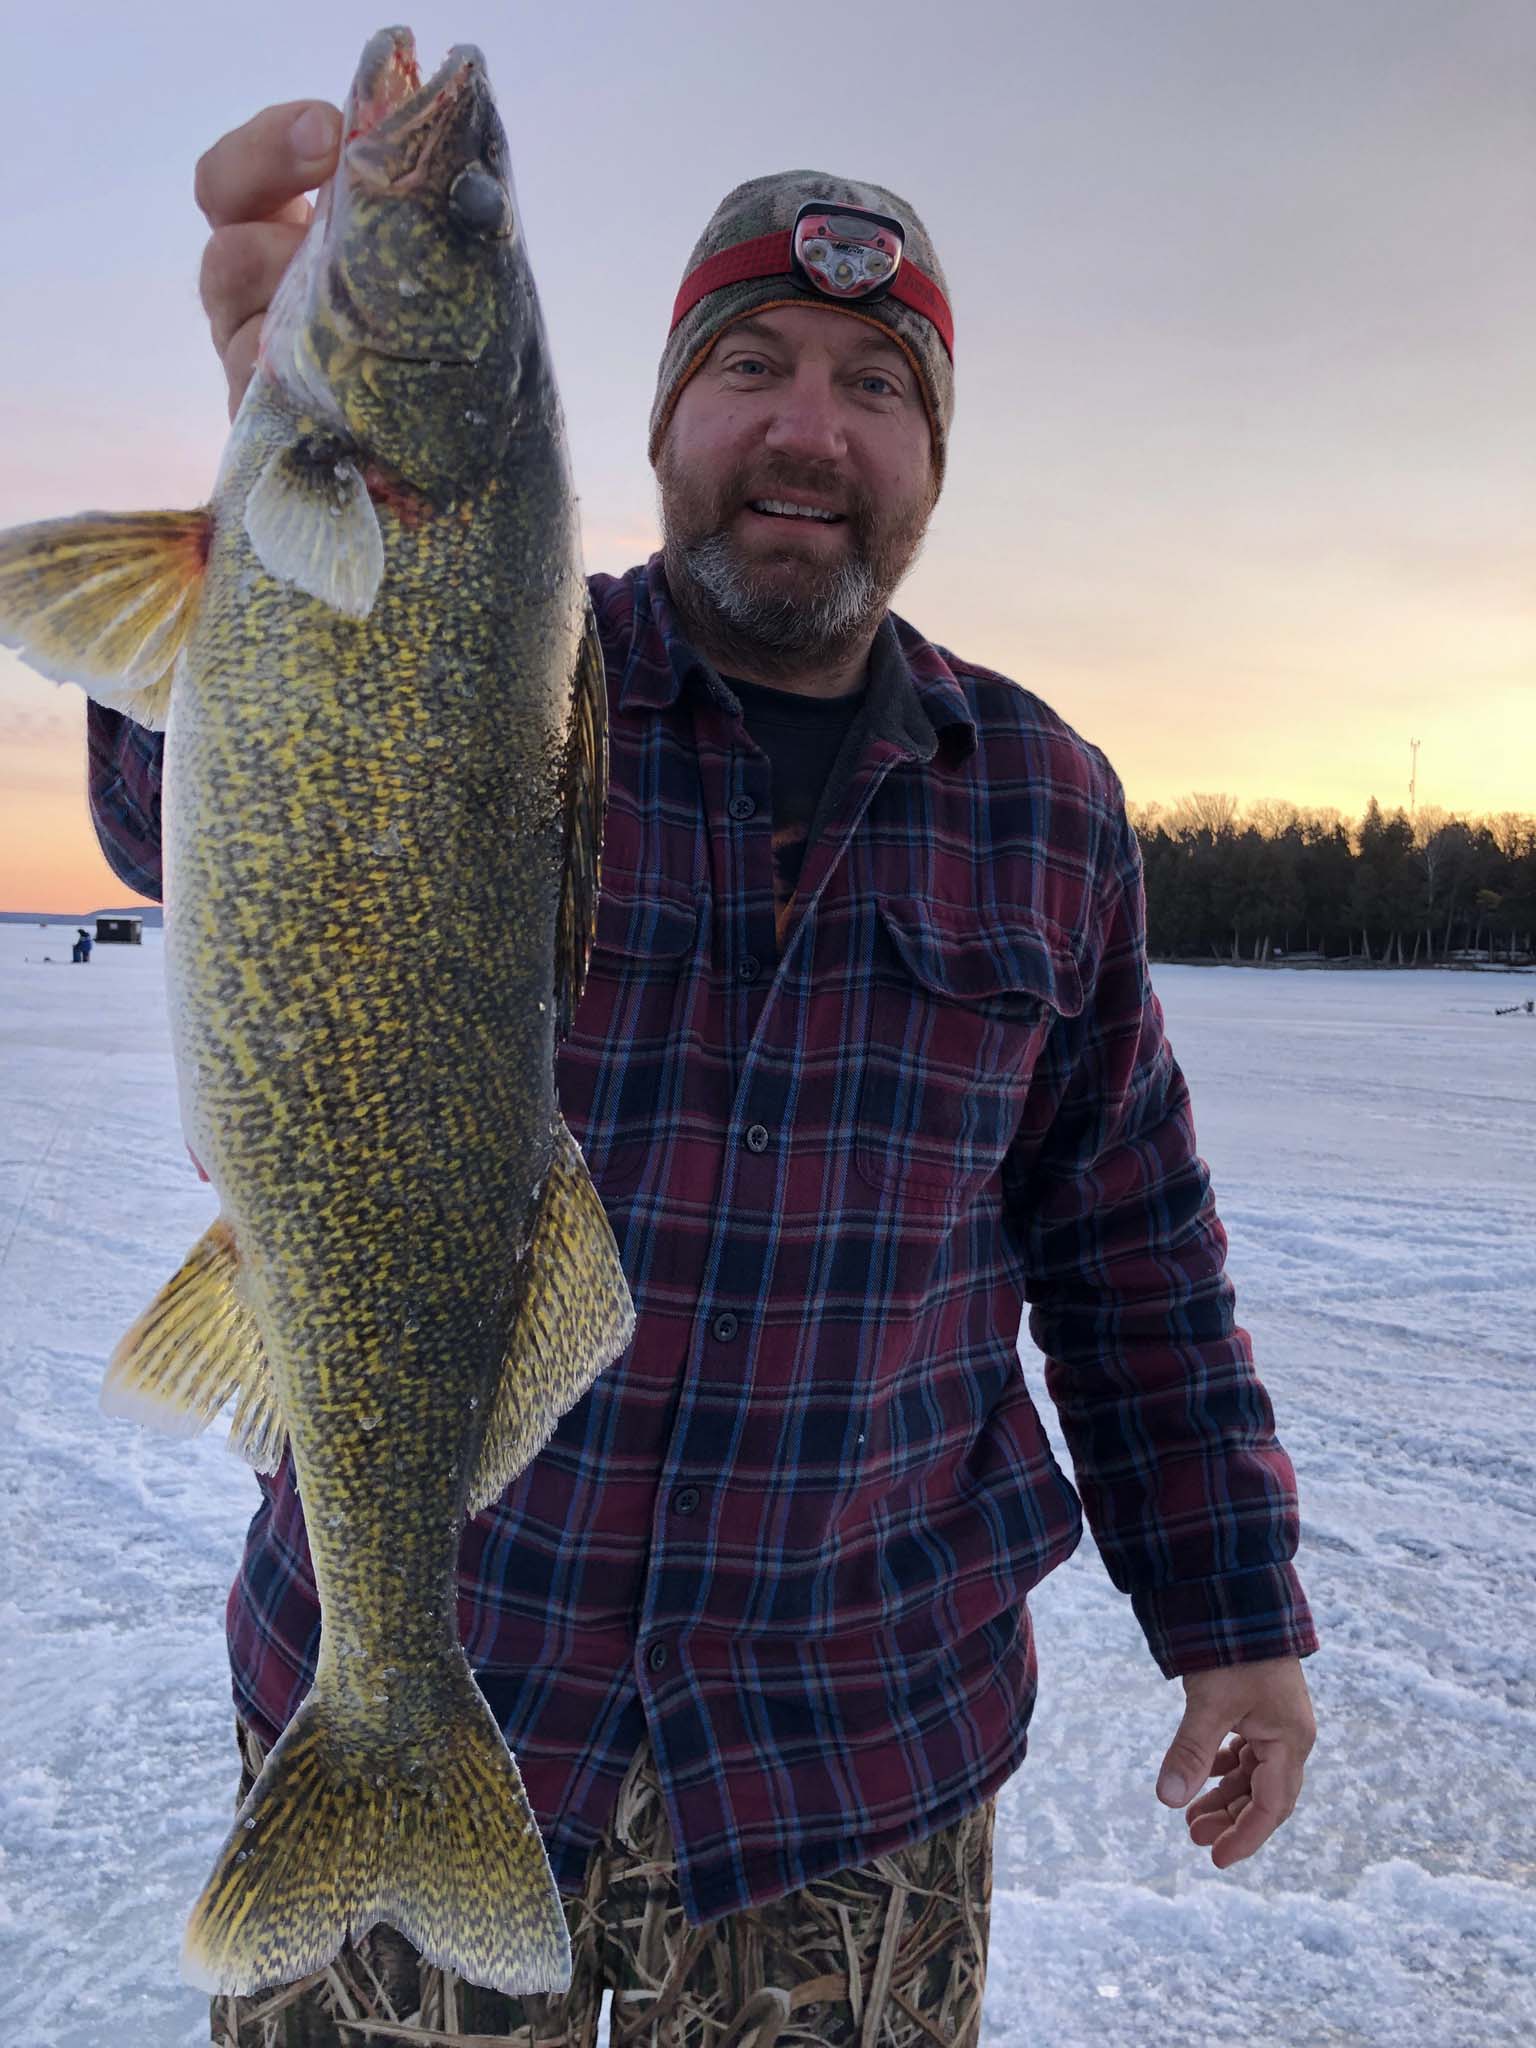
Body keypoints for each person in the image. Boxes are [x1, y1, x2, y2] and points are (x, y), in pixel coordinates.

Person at [88, 102, 1319, 2048]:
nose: (809, 429)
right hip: (445, 1656)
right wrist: (284, 525)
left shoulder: (1046, 808)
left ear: (932, 452)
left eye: (872, 384)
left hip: (850, 1768)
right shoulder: (482, 655)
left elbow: (1133, 1255)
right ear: (656, 420)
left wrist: (1234, 1616)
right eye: (752, 365)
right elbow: (197, 819)